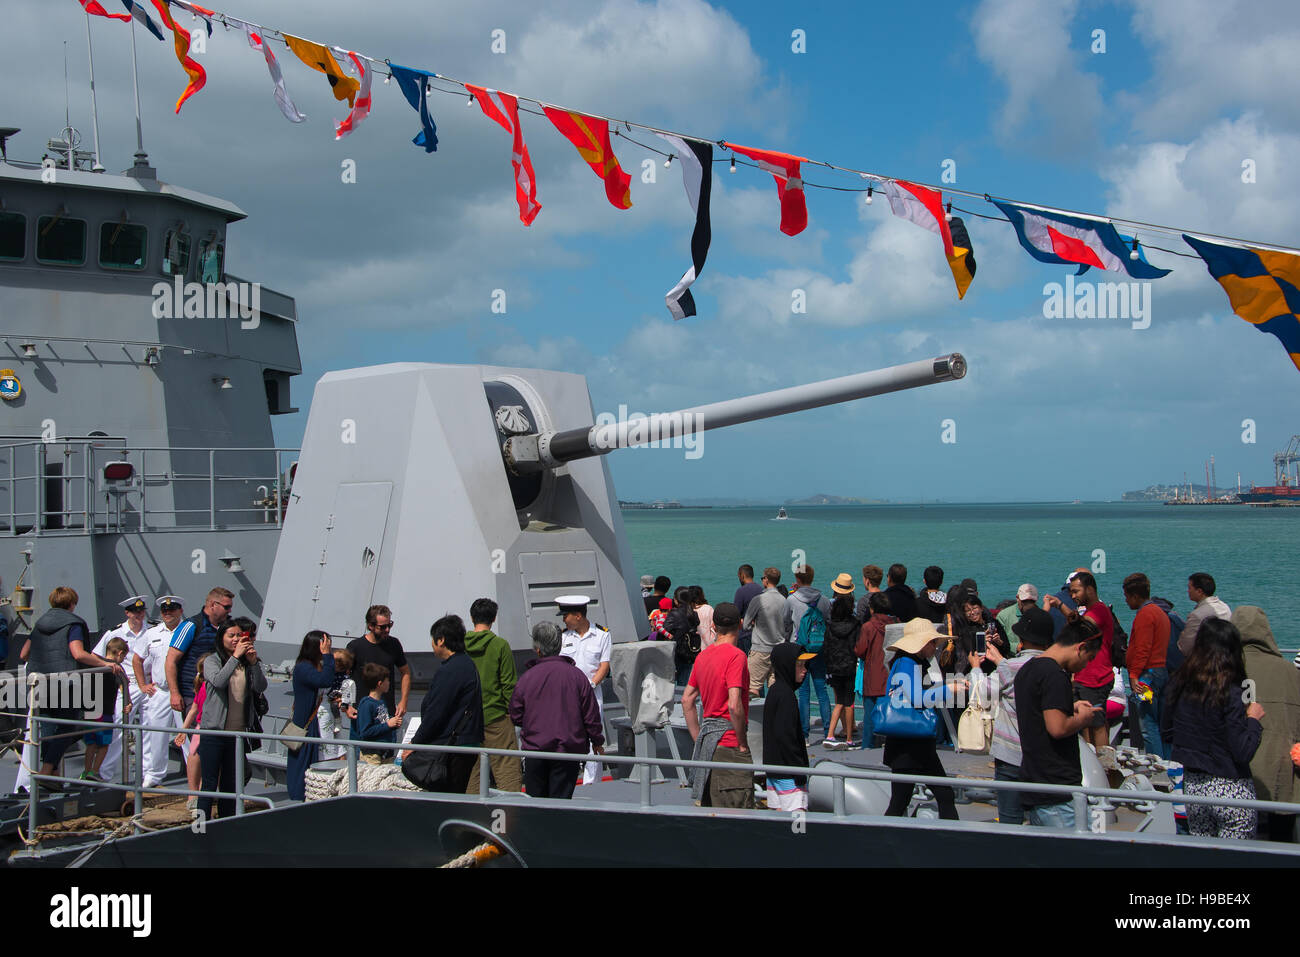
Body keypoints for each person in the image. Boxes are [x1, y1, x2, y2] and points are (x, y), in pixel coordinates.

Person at [1161, 618, 1264, 839]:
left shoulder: (1178, 684)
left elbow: (1167, 732)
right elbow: (1243, 751)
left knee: (1204, 856)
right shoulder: (1231, 692)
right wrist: (1254, 721)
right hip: (1230, 788)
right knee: (1236, 859)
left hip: (1194, 787)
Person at [20, 586, 122, 785]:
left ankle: (52, 778)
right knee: (70, 727)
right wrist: (106, 664)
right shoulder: (73, 623)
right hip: (64, 684)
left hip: (39, 684)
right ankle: (46, 771)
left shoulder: (40, 623)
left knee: (48, 731)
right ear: (72, 603)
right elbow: (78, 653)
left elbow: (24, 654)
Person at [1014, 618, 1103, 828]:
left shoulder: (1028, 670)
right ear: (1080, 648)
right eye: (1089, 658)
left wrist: (1069, 707)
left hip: (1035, 782)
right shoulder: (1055, 675)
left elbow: (1038, 711)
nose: (1085, 665)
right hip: (1056, 789)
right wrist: (1083, 719)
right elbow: (1057, 727)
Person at [971, 606, 1053, 826]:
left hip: (1010, 756)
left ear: (1022, 640)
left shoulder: (1010, 666)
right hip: (1043, 757)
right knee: (1040, 817)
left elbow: (981, 692)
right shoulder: (1054, 668)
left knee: (1010, 818)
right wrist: (1000, 661)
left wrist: (976, 668)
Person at [508, 620, 604, 799]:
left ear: (537, 649)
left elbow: (515, 713)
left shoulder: (527, 678)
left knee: (536, 803)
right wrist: (597, 741)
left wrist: (532, 725)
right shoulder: (577, 676)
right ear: (559, 645)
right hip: (567, 750)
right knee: (561, 802)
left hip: (535, 749)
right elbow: (590, 715)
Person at [881, 618, 962, 819]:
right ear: (921, 643)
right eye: (933, 642)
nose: (936, 647)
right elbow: (918, 700)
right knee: (943, 794)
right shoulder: (908, 663)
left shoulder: (905, 661)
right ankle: (953, 838)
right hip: (911, 743)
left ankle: (885, 838)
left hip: (906, 742)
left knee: (900, 800)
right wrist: (948, 689)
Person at [1233, 606, 1300, 842]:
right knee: (1282, 840)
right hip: (1283, 770)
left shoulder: (1228, 669)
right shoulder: (1290, 672)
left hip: (1238, 771)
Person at [403, 615, 484, 794]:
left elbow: (436, 712)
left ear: (441, 640)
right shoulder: (466, 664)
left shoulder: (451, 669)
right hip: (464, 744)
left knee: (447, 800)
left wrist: (414, 744)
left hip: (452, 749)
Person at [683, 603, 752, 808]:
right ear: (740, 624)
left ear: (713, 626)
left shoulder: (702, 657)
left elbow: (687, 700)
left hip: (708, 745)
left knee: (712, 811)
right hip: (729, 743)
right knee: (737, 814)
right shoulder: (736, 656)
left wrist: (699, 739)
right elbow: (734, 704)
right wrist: (742, 743)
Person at [197, 620, 267, 821]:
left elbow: (260, 687)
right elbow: (218, 681)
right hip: (215, 731)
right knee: (210, 783)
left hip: (237, 734)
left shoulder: (246, 662)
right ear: (222, 639)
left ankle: (226, 823)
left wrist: (253, 663)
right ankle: (200, 825)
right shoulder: (212, 661)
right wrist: (235, 657)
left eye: (239, 635)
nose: (236, 639)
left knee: (230, 784)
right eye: (231, 636)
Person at [1046, 571, 1115, 757]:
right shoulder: (1089, 611)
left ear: (1090, 589)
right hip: (1084, 675)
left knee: (1097, 723)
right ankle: (1090, 759)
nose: (1074, 596)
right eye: (1071, 593)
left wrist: (1059, 606)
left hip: (1097, 676)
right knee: (1084, 723)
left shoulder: (1099, 610)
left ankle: (1104, 764)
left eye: (1076, 592)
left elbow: (1082, 627)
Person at [464, 598, 522, 793]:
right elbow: (508, 685)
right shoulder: (500, 645)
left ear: (472, 618)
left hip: (468, 721)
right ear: (494, 618)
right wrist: (511, 714)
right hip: (496, 718)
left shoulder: (461, 646)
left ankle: (469, 818)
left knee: (471, 775)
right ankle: (510, 817)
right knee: (508, 775)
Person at [92, 596, 151, 784]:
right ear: (127, 613)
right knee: (117, 726)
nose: (139, 615)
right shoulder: (114, 633)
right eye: (135, 612)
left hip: (150, 683)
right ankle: (105, 773)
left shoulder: (152, 630)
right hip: (125, 684)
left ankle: (148, 774)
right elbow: (96, 655)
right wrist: (111, 668)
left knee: (151, 729)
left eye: (141, 611)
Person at [558, 595, 612, 785]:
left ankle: (592, 782)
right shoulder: (563, 637)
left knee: (593, 737)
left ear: (578, 616)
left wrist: (589, 687)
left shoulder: (602, 635)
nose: (563, 619)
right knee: (567, 734)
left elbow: (604, 665)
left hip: (591, 694)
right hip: (566, 696)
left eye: (566, 615)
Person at [133, 596, 187, 787]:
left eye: (172, 609)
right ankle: (153, 775)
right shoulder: (152, 633)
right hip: (161, 691)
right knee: (155, 734)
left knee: (187, 735)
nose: (167, 613)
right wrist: (142, 685)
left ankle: (194, 775)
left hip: (184, 691)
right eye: (164, 610)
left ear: (180, 611)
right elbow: (137, 659)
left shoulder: (188, 630)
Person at [1122, 572, 1170, 758]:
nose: (1126, 601)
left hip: (1147, 677)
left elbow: (1143, 648)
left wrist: (1133, 675)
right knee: (1158, 722)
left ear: (1135, 596)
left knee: (1147, 723)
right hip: (1159, 672)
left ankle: (1157, 764)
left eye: (1127, 597)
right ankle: (1165, 760)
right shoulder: (1159, 612)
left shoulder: (1145, 615)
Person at [762, 643, 816, 810]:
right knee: (797, 823)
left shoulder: (774, 691)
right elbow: (786, 737)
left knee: (779, 823)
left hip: (774, 772)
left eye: (804, 665)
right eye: (798, 665)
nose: (804, 670)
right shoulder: (787, 696)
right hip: (789, 775)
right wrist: (799, 773)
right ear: (787, 666)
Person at [784, 564, 832, 741]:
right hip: (819, 649)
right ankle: (829, 731)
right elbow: (828, 621)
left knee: (803, 693)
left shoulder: (791, 600)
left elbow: (786, 623)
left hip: (800, 649)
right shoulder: (823, 599)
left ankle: (804, 733)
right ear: (812, 578)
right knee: (822, 691)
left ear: (797, 579)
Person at [288, 630, 336, 799]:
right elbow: (325, 681)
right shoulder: (303, 668)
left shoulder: (314, 667)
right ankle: (298, 796)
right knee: (302, 761)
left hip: (318, 722)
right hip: (306, 724)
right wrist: (327, 656)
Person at [347, 604, 411, 721]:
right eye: (382, 627)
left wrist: (403, 701)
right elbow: (344, 677)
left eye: (389, 625)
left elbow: (405, 672)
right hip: (361, 713)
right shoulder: (355, 646)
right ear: (370, 626)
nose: (387, 630)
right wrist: (347, 705)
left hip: (387, 713)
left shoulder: (394, 644)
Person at [82, 638, 129, 781]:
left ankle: (86, 771)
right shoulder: (116, 668)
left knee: (91, 744)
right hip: (105, 712)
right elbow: (124, 686)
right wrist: (128, 703)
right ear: (120, 653)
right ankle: (95, 772)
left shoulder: (95, 664)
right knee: (103, 744)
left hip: (90, 710)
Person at [822, 578, 859, 749]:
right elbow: (857, 646)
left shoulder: (830, 626)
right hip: (850, 666)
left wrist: (828, 666)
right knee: (849, 702)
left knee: (838, 701)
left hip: (834, 667)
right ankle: (849, 737)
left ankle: (830, 734)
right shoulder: (855, 625)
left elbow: (827, 647)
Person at [855, 592, 896, 748]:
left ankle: (868, 745)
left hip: (872, 674)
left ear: (872, 609)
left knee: (870, 716)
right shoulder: (895, 625)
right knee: (890, 714)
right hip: (891, 674)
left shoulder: (868, 627)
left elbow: (860, 650)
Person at [742, 567, 787, 698]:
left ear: (766, 580)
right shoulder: (784, 600)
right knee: (775, 688)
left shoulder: (758, 599)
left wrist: (754, 625)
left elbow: (745, 625)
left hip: (760, 649)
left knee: (752, 687)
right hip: (778, 649)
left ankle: (754, 718)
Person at [352, 663, 401, 763]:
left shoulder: (381, 702)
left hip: (384, 753)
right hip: (371, 755)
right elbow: (365, 732)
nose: (389, 683)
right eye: (387, 680)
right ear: (380, 683)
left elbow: (381, 722)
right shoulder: (367, 704)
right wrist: (388, 724)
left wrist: (394, 723)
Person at [1177, 573, 1232, 656]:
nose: (1188, 591)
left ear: (1199, 591)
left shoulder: (1197, 615)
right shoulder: (1225, 607)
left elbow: (1185, 647)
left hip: (1205, 660)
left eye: (1189, 588)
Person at [319, 647, 355, 760]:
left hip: (329, 704)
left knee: (332, 741)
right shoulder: (329, 673)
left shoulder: (341, 677)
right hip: (327, 706)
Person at [665, 586, 701, 685]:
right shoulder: (693, 614)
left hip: (676, 651)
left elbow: (666, 628)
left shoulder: (674, 614)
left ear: (676, 600)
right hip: (690, 651)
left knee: (670, 680)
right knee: (684, 680)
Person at [996, 584, 1039, 653]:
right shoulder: (1003, 616)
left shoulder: (1041, 615)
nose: (1028, 604)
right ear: (1017, 598)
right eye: (1025, 601)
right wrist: (1015, 647)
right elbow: (998, 641)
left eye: (1032, 601)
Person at [733, 564, 764, 656]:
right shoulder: (761, 590)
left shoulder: (741, 591)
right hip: (760, 634)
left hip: (745, 634)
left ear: (742, 576)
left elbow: (736, 614)